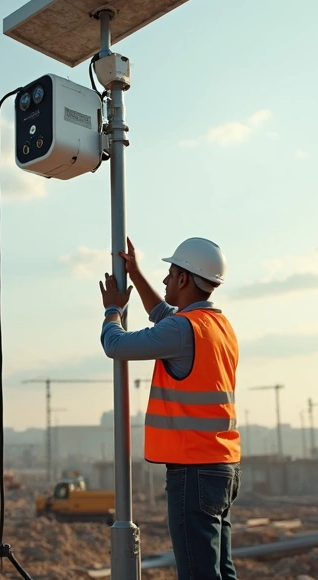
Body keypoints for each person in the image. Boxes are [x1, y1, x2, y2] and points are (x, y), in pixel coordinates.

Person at [99, 237, 241, 580]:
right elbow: (163, 316)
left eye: (170, 273)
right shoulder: (218, 327)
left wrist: (112, 310)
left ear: (184, 279)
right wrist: (135, 271)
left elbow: (115, 344)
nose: (164, 280)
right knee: (221, 571)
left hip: (193, 469)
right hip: (222, 466)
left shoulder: (181, 329)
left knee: (198, 575)